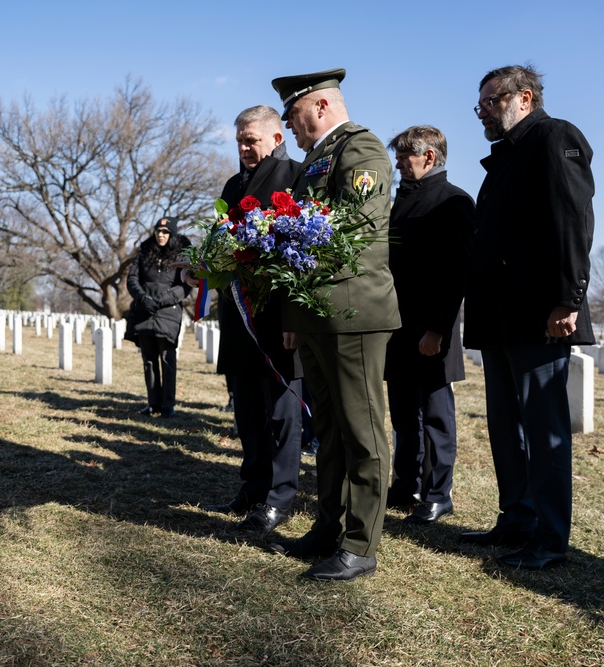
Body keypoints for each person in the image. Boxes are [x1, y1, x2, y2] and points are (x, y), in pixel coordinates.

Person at [460, 65, 594, 570]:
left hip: (540, 314)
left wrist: (568, 298)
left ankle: (550, 538)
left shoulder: (554, 137)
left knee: (544, 430)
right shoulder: (506, 157)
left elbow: (572, 219)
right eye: (480, 106)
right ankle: (516, 517)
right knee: (505, 426)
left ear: (525, 97)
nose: (483, 115)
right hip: (499, 317)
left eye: (490, 104)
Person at [268, 69, 400, 581]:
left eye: (293, 114)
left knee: (361, 430)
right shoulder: (314, 161)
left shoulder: (361, 150)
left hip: (353, 312)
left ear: (319, 107)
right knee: (327, 429)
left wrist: (282, 235)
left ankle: (360, 544)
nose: (289, 124)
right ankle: (328, 527)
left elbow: (359, 222)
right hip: (319, 314)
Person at [199, 105, 303, 533]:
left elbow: (303, 254)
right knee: (246, 409)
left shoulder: (295, 177)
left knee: (281, 414)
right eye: (239, 140)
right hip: (240, 316)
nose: (243, 148)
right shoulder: (232, 183)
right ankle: (253, 487)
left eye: (251, 140)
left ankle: (280, 496)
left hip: (276, 318)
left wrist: (296, 317)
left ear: (276, 139)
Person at [384, 126, 474, 524]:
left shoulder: (453, 202)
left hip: (431, 327)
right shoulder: (400, 203)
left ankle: (438, 493)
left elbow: (454, 273)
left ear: (430, 157)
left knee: (436, 414)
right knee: (403, 413)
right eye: (399, 157)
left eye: (406, 157)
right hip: (398, 326)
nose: (399, 164)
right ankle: (405, 484)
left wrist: (436, 329)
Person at [125, 216, 192, 418]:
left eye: (165, 232)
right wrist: (143, 298)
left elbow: (186, 284)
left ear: (172, 234)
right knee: (149, 360)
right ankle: (153, 403)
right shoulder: (144, 252)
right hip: (144, 311)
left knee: (167, 358)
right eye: (158, 231)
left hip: (168, 312)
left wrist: (165, 299)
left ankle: (168, 405)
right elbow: (132, 278)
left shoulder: (183, 254)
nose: (160, 235)